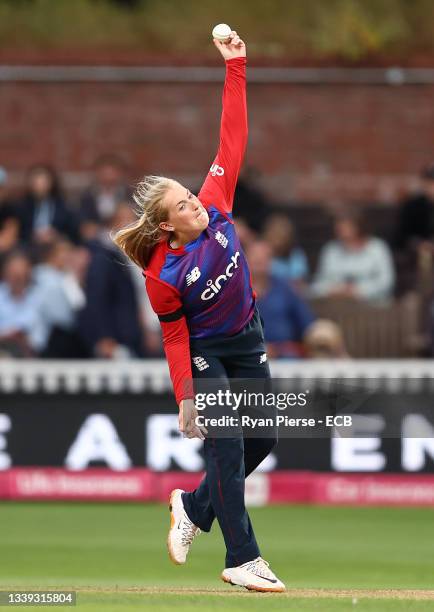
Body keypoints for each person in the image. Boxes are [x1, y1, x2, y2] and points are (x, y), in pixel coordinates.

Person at [112, 32, 285, 592]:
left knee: (262, 439)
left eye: (192, 193)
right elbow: (174, 338)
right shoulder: (161, 276)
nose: (196, 202)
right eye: (185, 204)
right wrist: (187, 399)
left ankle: (192, 507)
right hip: (208, 353)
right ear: (167, 226)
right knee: (228, 442)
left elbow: (231, 134)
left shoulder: (217, 203)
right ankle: (243, 557)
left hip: (246, 334)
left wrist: (237, 64)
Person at [247, 240, 314, 358]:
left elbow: (307, 322)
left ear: (271, 261)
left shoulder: (285, 287)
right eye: (255, 259)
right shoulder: (234, 291)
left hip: (285, 354)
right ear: (245, 260)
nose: (259, 262)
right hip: (247, 354)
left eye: (263, 258)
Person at [311, 209, 395, 304]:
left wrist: (357, 291)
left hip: (373, 308)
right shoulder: (330, 250)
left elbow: (386, 283)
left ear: (358, 226)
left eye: (345, 226)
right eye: (338, 226)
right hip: (337, 307)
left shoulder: (377, 248)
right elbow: (318, 284)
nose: (340, 229)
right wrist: (333, 290)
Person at [18, 165, 79, 246]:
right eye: (36, 183)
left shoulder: (63, 206)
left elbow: (72, 231)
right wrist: (33, 235)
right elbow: (18, 231)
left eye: (43, 182)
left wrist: (56, 235)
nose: (40, 187)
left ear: (51, 183)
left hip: (56, 246)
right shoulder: (21, 206)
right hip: (29, 246)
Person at [263, 213, 309, 287]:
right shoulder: (262, 255)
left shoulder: (296, 254)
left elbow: (300, 283)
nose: (278, 239)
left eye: (282, 234)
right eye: (275, 233)